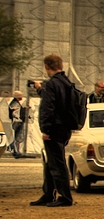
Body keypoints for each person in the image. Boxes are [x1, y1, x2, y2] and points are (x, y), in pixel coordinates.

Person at [31, 54, 75, 207]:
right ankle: (48, 193)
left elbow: (48, 107)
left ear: (47, 67)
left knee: (56, 163)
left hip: (54, 128)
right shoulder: (67, 83)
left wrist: (45, 128)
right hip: (64, 127)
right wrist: (40, 90)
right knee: (52, 162)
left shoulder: (51, 84)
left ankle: (64, 196)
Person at [7, 90, 27, 158]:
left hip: (18, 121)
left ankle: (16, 150)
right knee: (16, 137)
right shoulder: (14, 104)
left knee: (18, 137)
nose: (22, 97)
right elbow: (15, 113)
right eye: (20, 95)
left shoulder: (16, 103)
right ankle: (15, 151)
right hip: (17, 122)